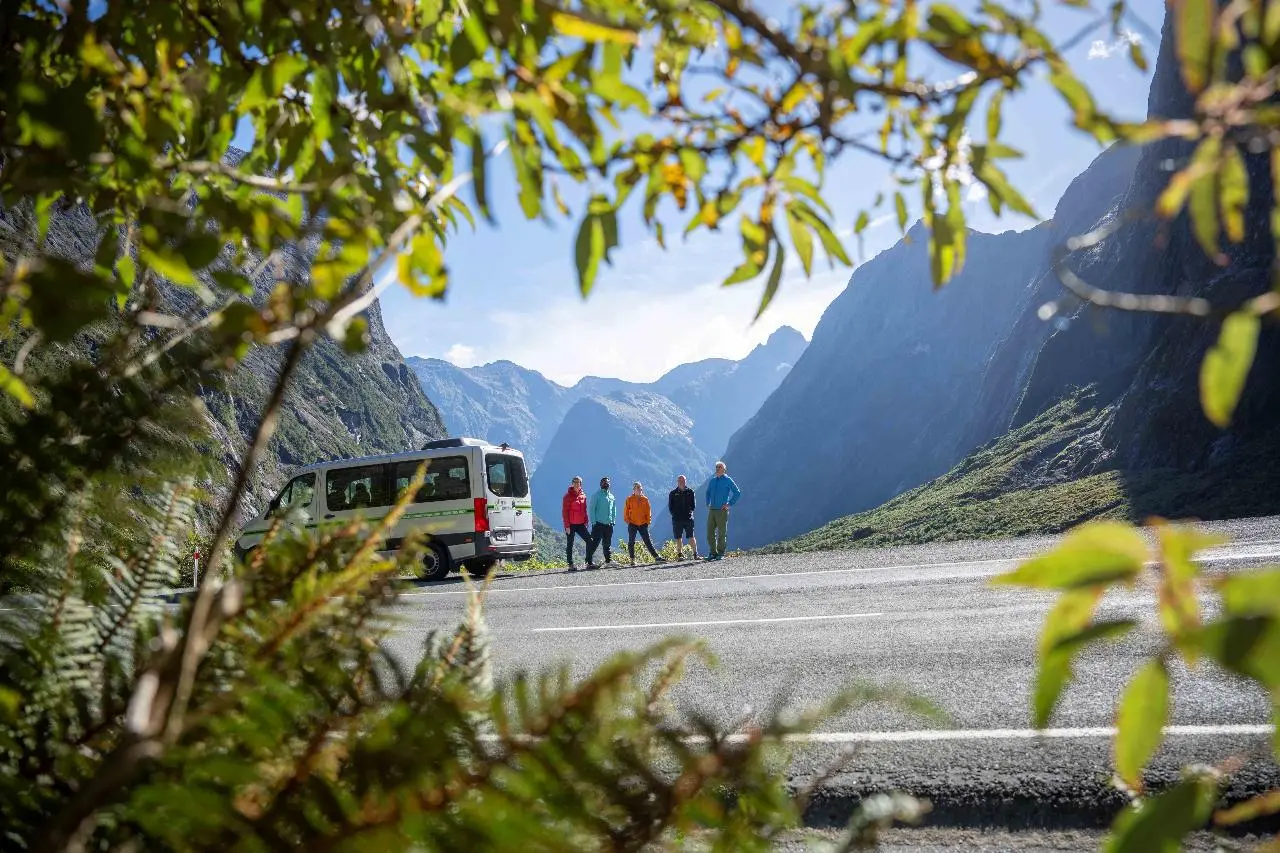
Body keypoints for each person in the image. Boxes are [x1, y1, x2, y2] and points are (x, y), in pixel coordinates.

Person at [704, 461, 741, 561]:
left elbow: (737, 492)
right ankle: (713, 553)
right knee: (710, 532)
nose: (717, 469)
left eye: (719, 467)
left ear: (724, 469)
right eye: (716, 467)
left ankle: (720, 553)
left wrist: (729, 504)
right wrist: (708, 503)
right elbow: (707, 492)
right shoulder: (712, 480)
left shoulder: (728, 480)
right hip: (712, 510)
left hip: (722, 510)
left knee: (721, 532)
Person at [623, 482, 664, 566]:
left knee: (647, 541)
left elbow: (648, 511)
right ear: (633, 489)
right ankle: (632, 559)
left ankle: (656, 557)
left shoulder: (645, 499)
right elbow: (626, 511)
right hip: (632, 523)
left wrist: (647, 522)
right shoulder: (629, 499)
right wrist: (627, 520)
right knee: (631, 541)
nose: (639, 489)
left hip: (643, 523)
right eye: (637, 488)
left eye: (640, 488)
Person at [585, 476, 616, 568]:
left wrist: (613, 520)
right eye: (604, 482)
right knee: (594, 544)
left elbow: (613, 509)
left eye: (607, 482)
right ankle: (588, 562)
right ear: (600, 484)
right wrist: (594, 522)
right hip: (598, 524)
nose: (606, 484)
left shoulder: (611, 496)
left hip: (609, 525)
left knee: (607, 544)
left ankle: (608, 561)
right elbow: (591, 510)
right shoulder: (596, 495)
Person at [561, 476, 591, 570]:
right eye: (575, 482)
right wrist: (567, 526)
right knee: (570, 544)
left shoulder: (583, 495)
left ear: (581, 484)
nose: (577, 484)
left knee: (589, 541)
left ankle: (589, 562)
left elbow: (584, 510)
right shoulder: (567, 496)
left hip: (581, 524)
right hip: (571, 525)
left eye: (578, 482)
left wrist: (586, 521)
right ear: (572, 483)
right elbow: (565, 512)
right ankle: (570, 564)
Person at [668, 474, 698, 560]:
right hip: (677, 519)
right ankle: (680, 555)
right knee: (678, 537)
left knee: (691, 536)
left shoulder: (690, 492)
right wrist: (675, 515)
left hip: (688, 518)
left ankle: (695, 554)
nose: (682, 482)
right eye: (680, 481)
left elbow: (693, 505)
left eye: (683, 480)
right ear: (677, 482)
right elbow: (670, 507)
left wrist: (689, 513)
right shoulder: (673, 493)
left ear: (686, 481)